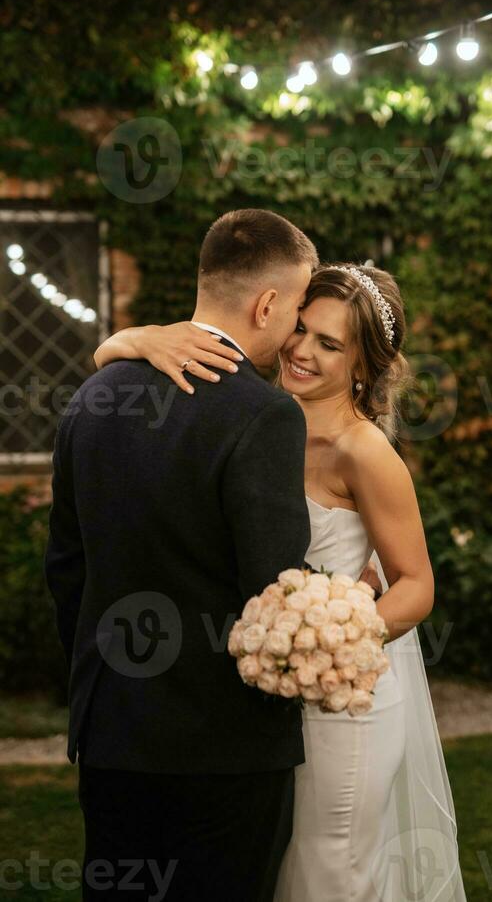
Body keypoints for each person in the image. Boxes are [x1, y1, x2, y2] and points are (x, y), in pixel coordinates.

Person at [94, 257, 467, 900]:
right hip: (254, 709)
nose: (301, 351)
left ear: (364, 365)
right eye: (301, 330)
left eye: (330, 344)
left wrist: (333, 633)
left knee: (328, 871)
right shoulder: (253, 420)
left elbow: (415, 584)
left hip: (340, 704)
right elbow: (112, 360)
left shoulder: (364, 452)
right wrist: (132, 339)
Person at [45, 208, 320, 901]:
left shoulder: (91, 396)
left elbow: (66, 571)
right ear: (267, 304)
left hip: (111, 731)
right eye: (295, 308)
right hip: (224, 746)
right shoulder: (263, 414)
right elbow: (275, 590)